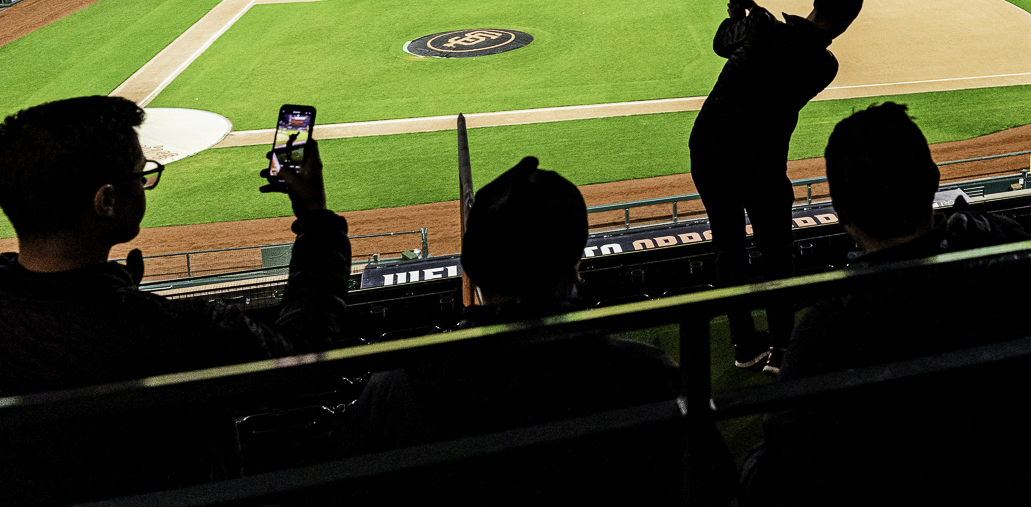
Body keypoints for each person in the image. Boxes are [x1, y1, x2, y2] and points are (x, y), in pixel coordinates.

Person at [0, 95, 351, 500]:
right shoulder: (181, 330)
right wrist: (316, 218)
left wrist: (113, 286)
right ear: (107, 200)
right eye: (142, 174)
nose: (146, 182)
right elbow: (301, 355)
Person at [337, 156, 734, 502]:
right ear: (576, 266)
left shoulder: (391, 392)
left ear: (470, 272)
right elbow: (712, 486)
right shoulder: (647, 376)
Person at [740, 102, 1031, 506]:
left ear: (840, 212)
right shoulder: (1013, 260)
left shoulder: (827, 329)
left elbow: (777, 480)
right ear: (933, 180)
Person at [688, 0, 862, 375]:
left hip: (710, 150)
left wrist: (743, 16)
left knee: (727, 247)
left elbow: (724, 43)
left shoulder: (762, 29)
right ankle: (783, 349)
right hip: (761, 162)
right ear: (847, 24)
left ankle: (745, 346)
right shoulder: (823, 65)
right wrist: (753, 11)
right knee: (777, 252)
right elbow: (790, 43)